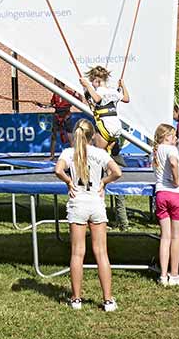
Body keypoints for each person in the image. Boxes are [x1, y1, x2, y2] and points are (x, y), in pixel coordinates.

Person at [53, 120, 120, 312]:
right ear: (93, 136)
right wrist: (103, 182)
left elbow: (58, 170)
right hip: (96, 203)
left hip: (78, 204)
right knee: (101, 253)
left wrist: (68, 182)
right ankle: (107, 300)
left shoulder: (68, 153)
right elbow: (117, 172)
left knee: (77, 253)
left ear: (76, 134)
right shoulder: (100, 153)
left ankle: (76, 299)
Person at [151, 122, 179, 286]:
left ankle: (163, 275)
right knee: (176, 237)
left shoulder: (156, 150)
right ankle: (174, 274)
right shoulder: (170, 149)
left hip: (161, 193)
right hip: (176, 194)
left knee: (165, 237)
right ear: (166, 136)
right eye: (173, 135)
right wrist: (176, 179)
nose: (176, 138)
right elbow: (174, 163)